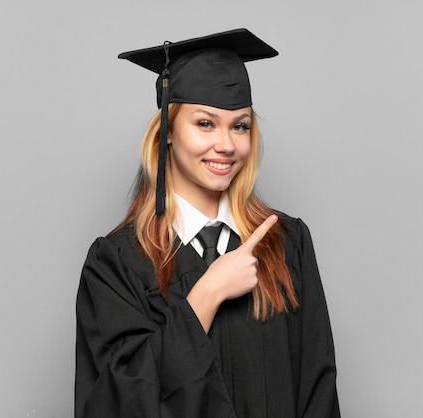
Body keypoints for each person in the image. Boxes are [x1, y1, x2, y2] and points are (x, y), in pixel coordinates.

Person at [75, 28, 340, 417]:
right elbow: (114, 403)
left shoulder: (287, 243)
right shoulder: (117, 263)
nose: (227, 145)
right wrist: (208, 293)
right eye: (205, 123)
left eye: (240, 125)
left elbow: (318, 392)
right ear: (167, 131)